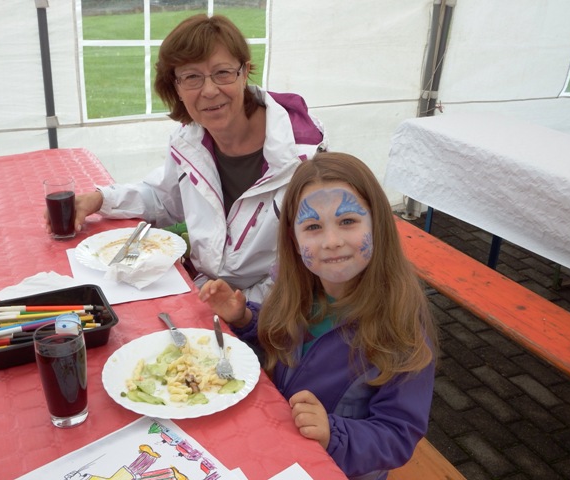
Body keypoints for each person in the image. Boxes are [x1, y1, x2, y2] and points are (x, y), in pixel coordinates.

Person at [46, 14, 326, 302]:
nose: (209, 90)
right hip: (206, 293)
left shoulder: (303, 158)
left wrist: (243, 308)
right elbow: (163, 199)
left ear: (244, 73)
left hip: (276, 306)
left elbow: (315, 260)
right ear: (176, 88)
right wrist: (100, 200)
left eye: (222, 73)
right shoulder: (189, 141)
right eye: (192, 77)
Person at [199, 152, 437, 480]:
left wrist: (332, 433)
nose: (332, 242)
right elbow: (279, 341)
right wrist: (245, 319)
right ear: (294, 240)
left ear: (378, 224)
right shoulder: (295, 291)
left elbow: (398, 435)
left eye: (348, 221)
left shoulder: (401, 323)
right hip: (277, 443)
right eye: (313, 227)